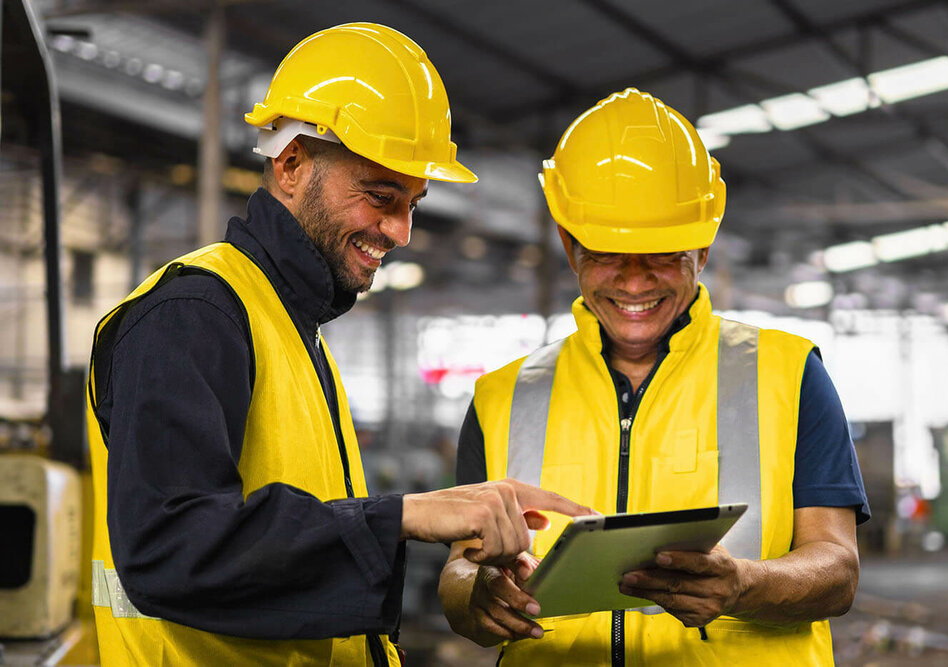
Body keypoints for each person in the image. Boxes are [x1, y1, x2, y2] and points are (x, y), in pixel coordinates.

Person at [84, 23, 591, 666]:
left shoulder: (290, 323)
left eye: (413, 203)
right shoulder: (194, 314)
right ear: (291, 164)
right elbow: (169, 547)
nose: (402, 231)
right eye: (381, 197)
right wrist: (401, 516)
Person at [438, 88, 869, 665]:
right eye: (609, 255)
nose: (635, 283)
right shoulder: (502, 397)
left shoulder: (789, 375)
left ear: (703, 247)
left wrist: (744, 583)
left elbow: (837, 568)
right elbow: (459, 569)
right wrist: (478, 597)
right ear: (570, 246)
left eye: (663, 255)